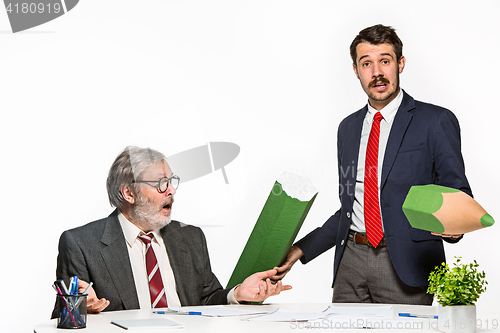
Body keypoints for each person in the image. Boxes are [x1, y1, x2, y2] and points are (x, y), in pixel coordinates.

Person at [273, 24, 471, 305]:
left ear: (400, 64)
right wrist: (300, 250)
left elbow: (457, 194)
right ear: (356, 70)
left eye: (385, 61)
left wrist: (456, 225)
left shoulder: (435, 121)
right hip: (350, 264)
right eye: (366, 63)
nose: (376, 72)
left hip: (406, 265)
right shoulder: (348, 128)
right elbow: (350, 208)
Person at [52, 146, 291, 317]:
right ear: (128, 193)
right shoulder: (81, 244)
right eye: (160, 184)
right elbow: (61, 317)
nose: (171, 192)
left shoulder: (190, 237)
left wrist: (237, 293)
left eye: (171, 182)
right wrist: (79, 307)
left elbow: (207, 302)